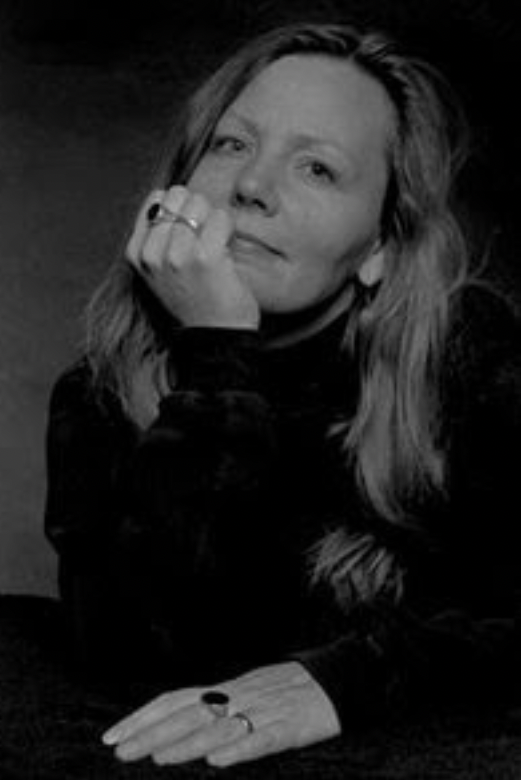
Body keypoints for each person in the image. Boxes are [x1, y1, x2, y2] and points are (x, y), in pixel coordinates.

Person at [44, 19, 521, 769]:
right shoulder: (102, 388)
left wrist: (345, 681)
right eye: (231, 144)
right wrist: (216, 354)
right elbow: (128, 650)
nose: (253, 187)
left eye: (317, 169)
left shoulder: (472, 357)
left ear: (379, 248)